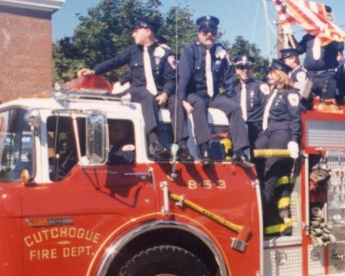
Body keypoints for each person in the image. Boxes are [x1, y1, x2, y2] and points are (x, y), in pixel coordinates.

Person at [77, 18, 183, 161]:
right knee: (146, 95)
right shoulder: (132, 51)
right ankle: (154, 141)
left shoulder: (163, 52)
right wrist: (94, 71)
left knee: (174, 102)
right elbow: (115, 61)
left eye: (136, 31)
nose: (133, 34)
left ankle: (182, 145)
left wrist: (165, 93)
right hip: (137, 90)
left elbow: (171, 77)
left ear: (147, 31)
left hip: (156, 92)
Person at [178, 16, 252, 166]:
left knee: (236, 108)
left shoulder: (221, 52)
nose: (209, 35)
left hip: (214, 96)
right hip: (195, 93)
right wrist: (182, 99)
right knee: (199, 104)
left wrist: (231, 100)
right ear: (199, 33)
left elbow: (228, 79)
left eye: (212, 32)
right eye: (205, 31)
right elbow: (183, 76)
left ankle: (239, 152)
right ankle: (204, 149)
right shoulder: (190, 50)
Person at [254, 59, 302, 236]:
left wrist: (294, 139)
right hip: (268, 131)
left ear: (280, 74)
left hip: (282, 132)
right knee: (251, 156)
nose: (268, 76)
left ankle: (264, 212)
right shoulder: (272, 93)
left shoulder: (291, 93)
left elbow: (295, 117)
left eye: (272, 73)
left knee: (270, 170)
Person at [288, 6, 345, 104]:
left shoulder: (333, 34)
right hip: (309, 76)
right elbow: (299, 49)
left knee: (327, 105)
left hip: (327, 75)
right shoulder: (309, 37)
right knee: (304, 104)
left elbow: (339, 46)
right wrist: (289, 35)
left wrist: (327, 31)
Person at [234, 54, 270, 146]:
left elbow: (268, 110)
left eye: (248, 67)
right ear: (236, 70)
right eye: (241, 67)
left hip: (257, 131)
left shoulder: (260, 87)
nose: (245, 70)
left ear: (252, 69)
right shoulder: (233, 90)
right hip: (239, 131)